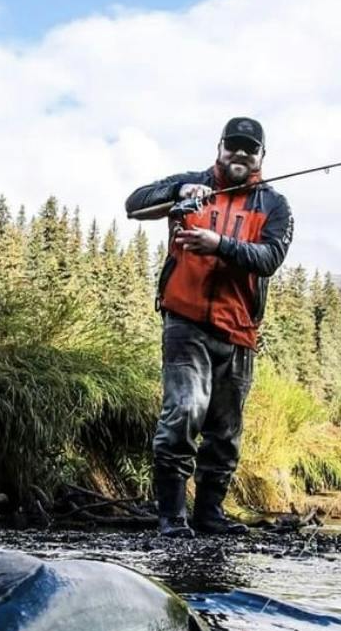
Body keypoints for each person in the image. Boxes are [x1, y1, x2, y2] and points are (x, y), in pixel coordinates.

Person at [125, 117, 294, 537]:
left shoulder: (274, 205)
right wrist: (177, 193)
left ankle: (209, 515)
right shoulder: (191, 185)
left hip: (238, 331)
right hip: (185, 322)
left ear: (261, 156)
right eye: (233, 145)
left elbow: (269, 258)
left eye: (249, 148)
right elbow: (134, 204)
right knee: (184, 411)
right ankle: (172, 519)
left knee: (225, 431)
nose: (240, 153)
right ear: (219, 147)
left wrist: (220, 246)